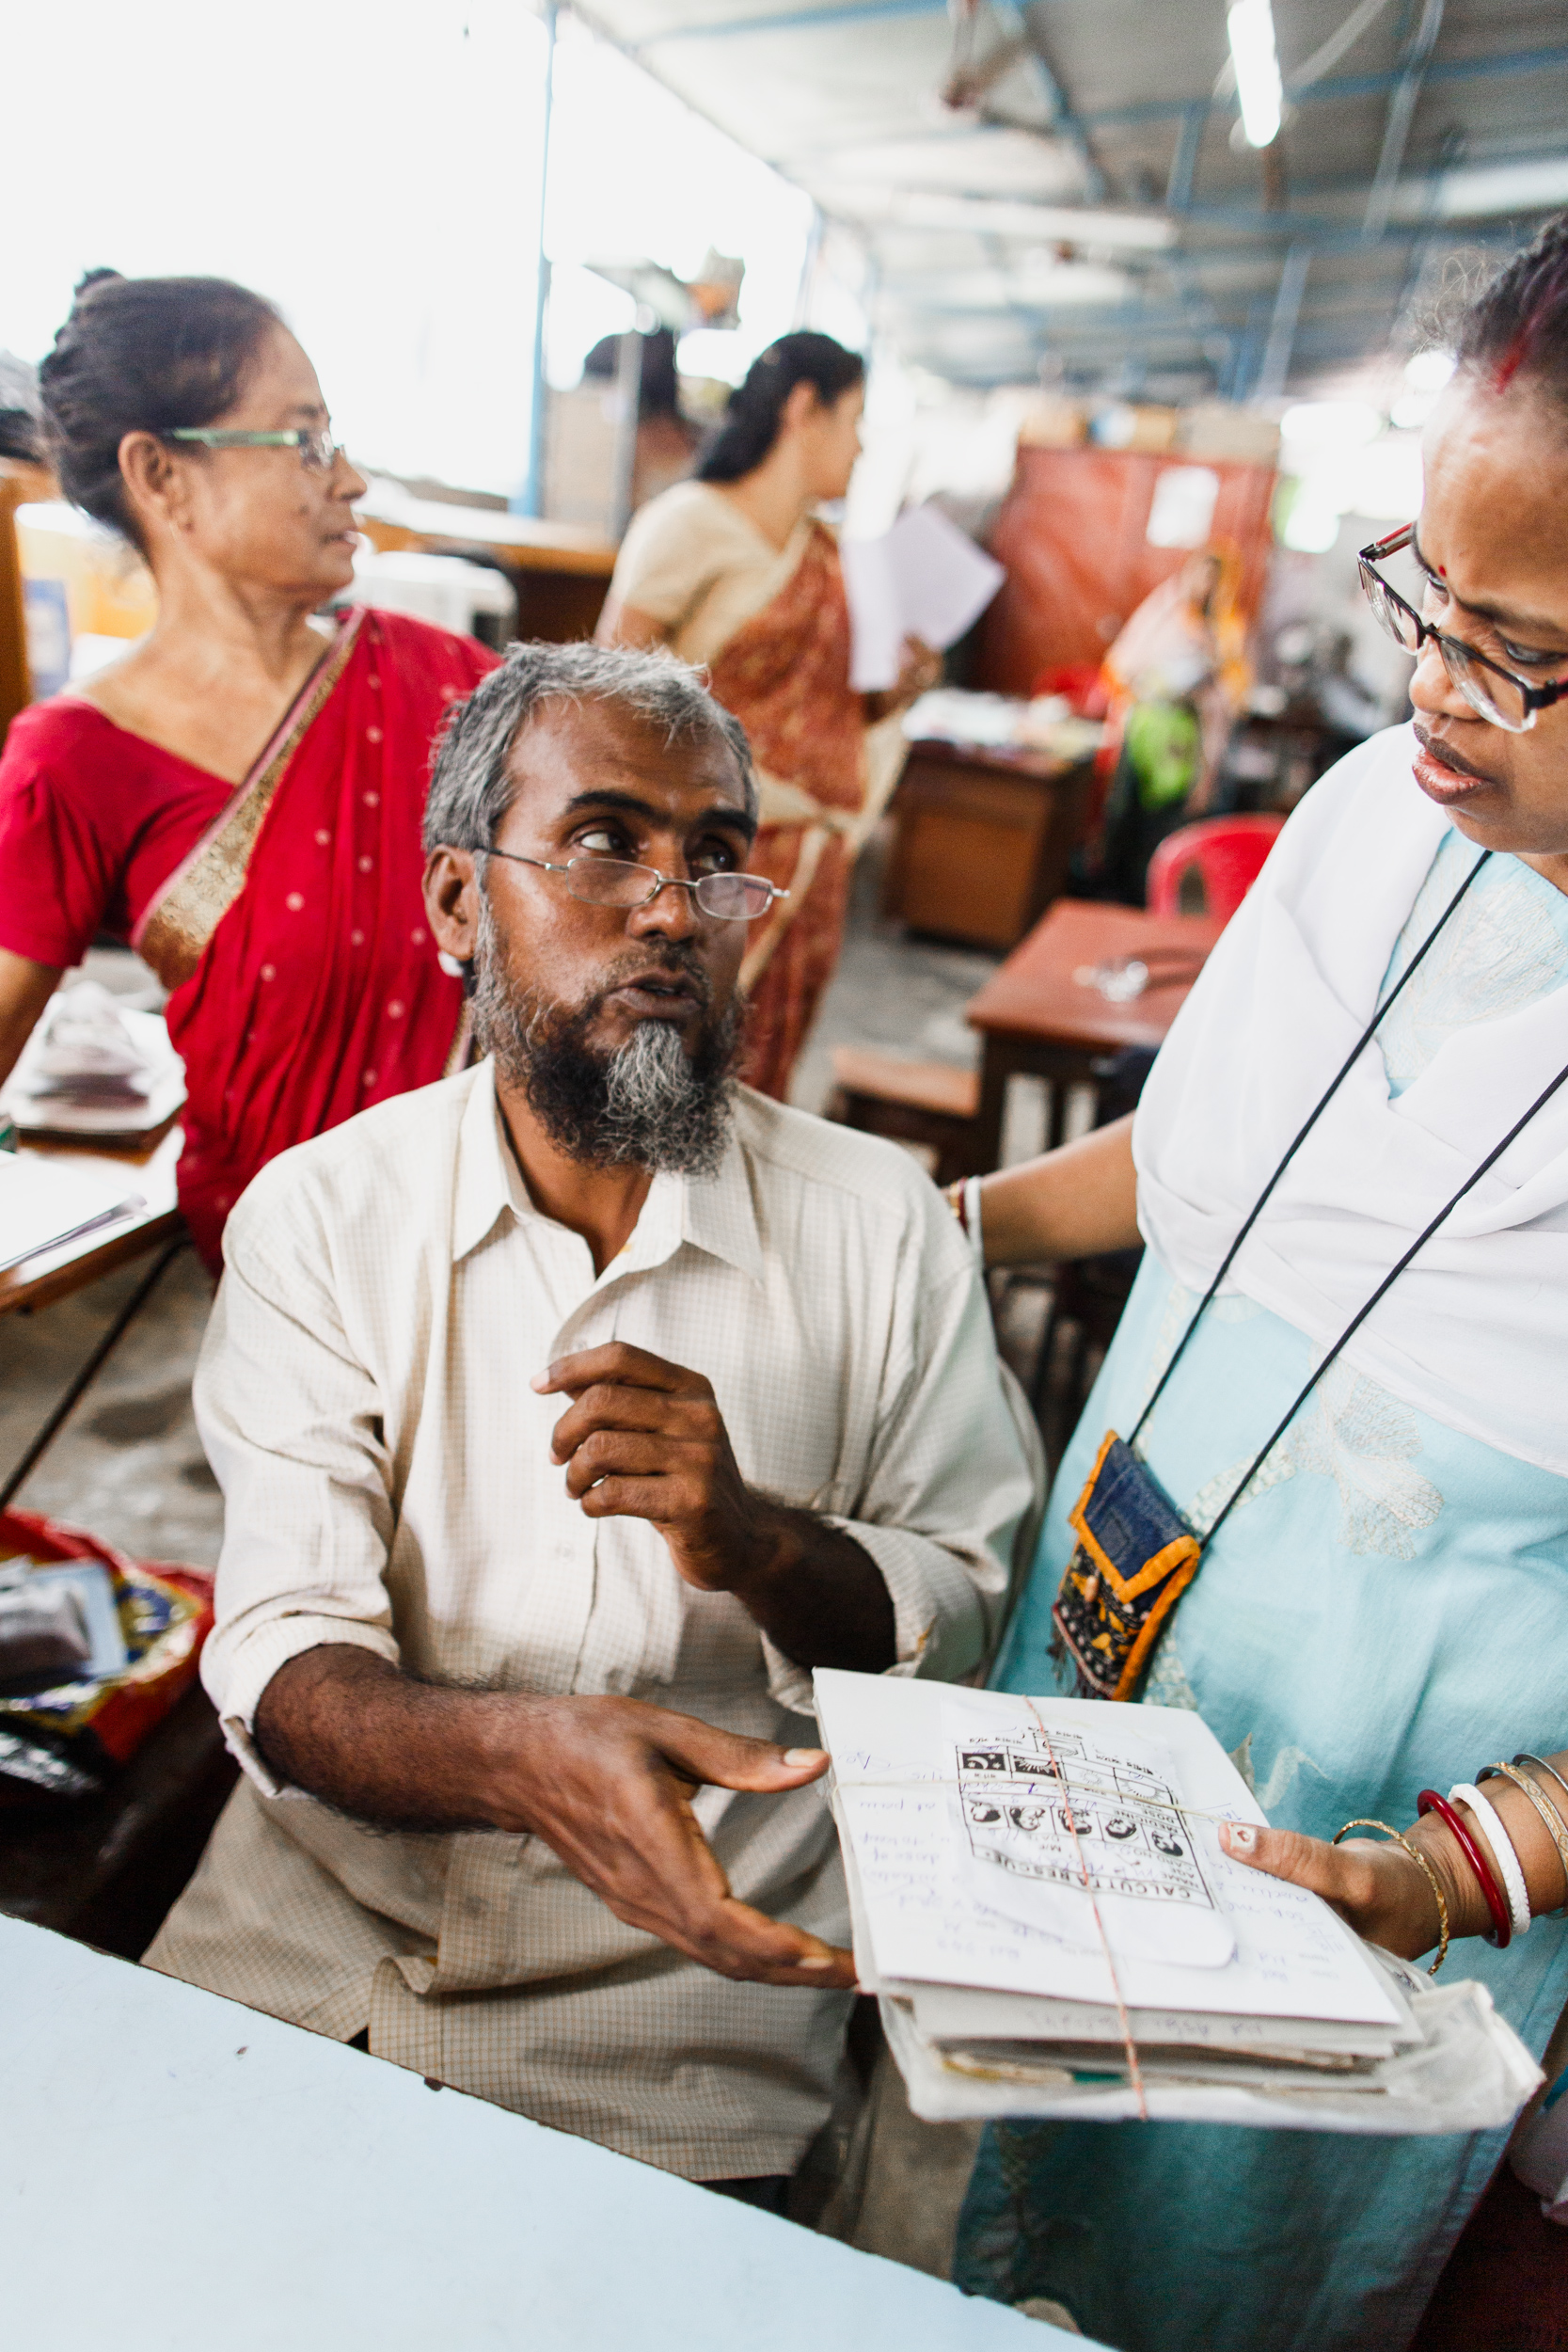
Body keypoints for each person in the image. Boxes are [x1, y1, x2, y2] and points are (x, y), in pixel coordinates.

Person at [144, 642, 1037, 2196]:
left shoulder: (879, 1228)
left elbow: (965, 1624)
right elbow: (284, 1653)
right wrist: (519, 1756)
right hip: (315, 1965)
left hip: (673, 2024)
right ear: (451, 907)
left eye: (716, 862)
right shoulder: (323, 1221)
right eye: (605, 843)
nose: (674, 911)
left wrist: (755, 1542)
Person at [950, 214, 1568, 2352]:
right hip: (1099, 1691)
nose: (1430, 689)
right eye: (1426, 596)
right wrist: (938, 1238)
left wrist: (1456, 1869)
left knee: (1186, 2286)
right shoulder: (1368, 822)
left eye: (1520, 650)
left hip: (1363, 1857)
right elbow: (1214, 1175)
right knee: (966, 2197)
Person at [0, 273, 499, 1268]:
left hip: (504, 1249)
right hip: (287, 1290)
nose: (349, 479)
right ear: (162, 475)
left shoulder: (443, 680)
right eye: (305, 439)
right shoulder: (76, 760)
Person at [596, 331, 937, 1100]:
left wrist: (903, 684)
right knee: (662, 1075)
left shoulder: (829, 552)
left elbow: (839, 708)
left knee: (759, 1089)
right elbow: (613, 690)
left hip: (811, 867)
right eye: (852, 422)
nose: (858, 449)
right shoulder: (691, 523)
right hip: (704, 861)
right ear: (802, 409)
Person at [1087, 545, 1250, 903]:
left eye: (1214, 579)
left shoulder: (1224, 629)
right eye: (1200, 576)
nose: (1205, 586)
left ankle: (1142, 896)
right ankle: (1107, 893)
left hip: (1184, 740)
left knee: (1164, 824)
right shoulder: (1164, 612)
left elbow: (1229, 697)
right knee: (1124, 814)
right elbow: (1125, 663)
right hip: (1145, 728)